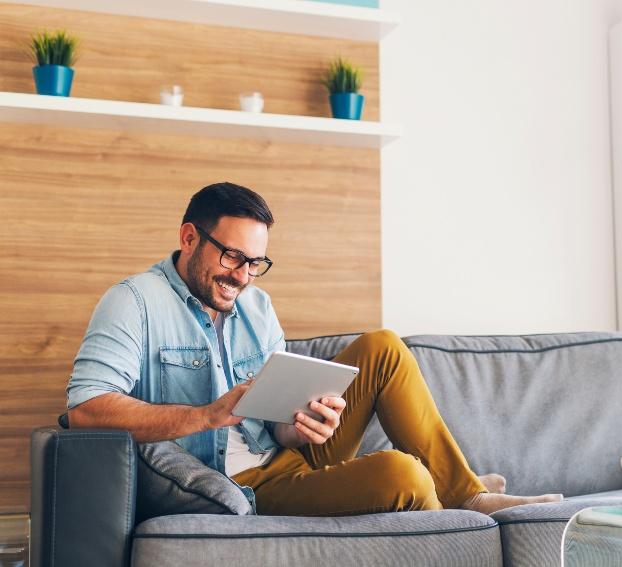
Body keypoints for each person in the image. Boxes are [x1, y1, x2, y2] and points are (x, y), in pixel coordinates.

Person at [67, 182, 562, 516]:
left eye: (256, 262)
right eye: (232, 257)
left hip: (288, 455)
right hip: (248, 484)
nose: (242, 276)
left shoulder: (256, 306)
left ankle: (468, 495)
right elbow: (86, 410)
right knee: (403, 472)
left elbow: (280, 427)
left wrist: (305, 424)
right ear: (190, 237)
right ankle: (452, 494)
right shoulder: (134, 301)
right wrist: (206, 415)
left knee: (383, 346)